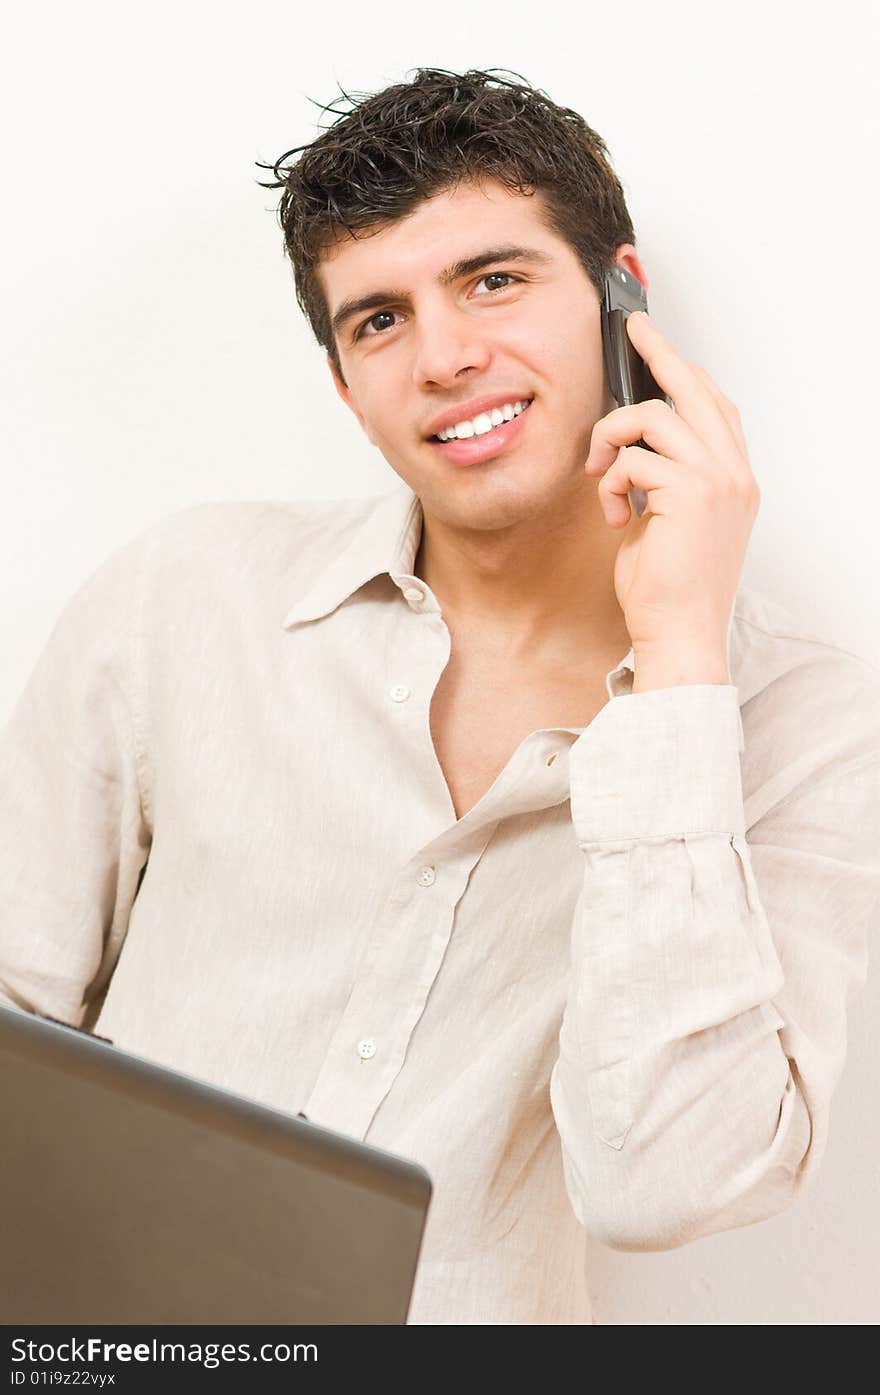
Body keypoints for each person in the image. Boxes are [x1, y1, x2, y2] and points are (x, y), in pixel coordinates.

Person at [1, 67, 878, 1327]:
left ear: (622, 300)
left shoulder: (802, 715)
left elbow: (665, 1183)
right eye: (378, 320)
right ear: (345, 386)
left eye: (493, 279)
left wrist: (678, 659)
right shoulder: (181, 599)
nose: (445, 357)